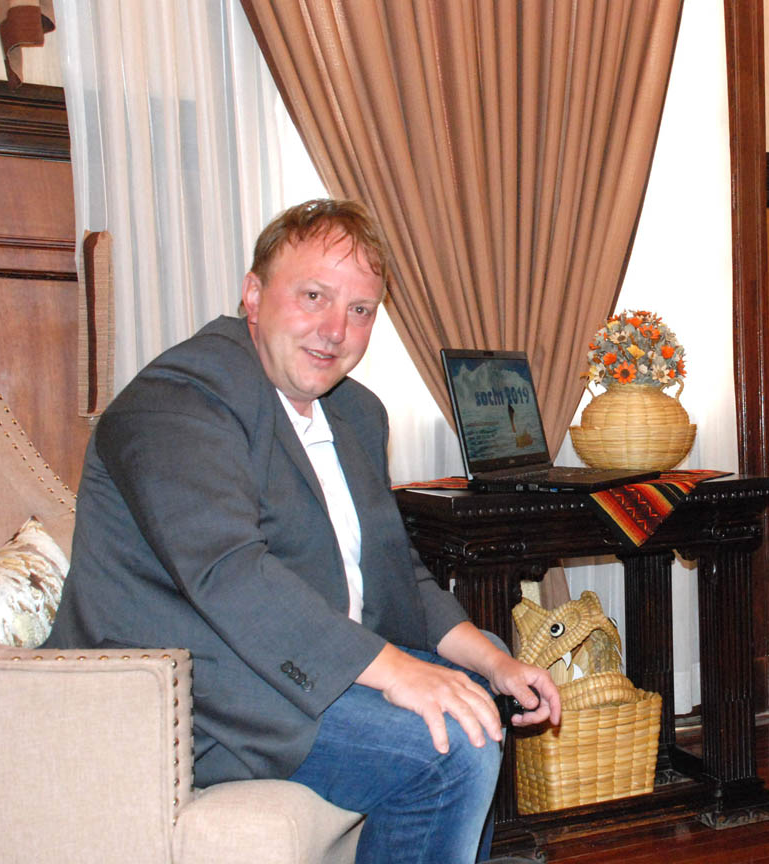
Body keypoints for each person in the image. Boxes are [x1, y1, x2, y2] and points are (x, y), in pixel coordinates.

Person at [47, 198, 561, 864]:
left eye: (360, 309)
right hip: (198, 695)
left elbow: (397, 571)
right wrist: (398, 672)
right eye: (313, 296)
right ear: (253, 295)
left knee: (482, 677)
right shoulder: (177, 399)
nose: (334, 330)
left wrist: (494, 661)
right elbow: (229, 575)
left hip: (284, 666)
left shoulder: (354, 412)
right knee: (448, 744)